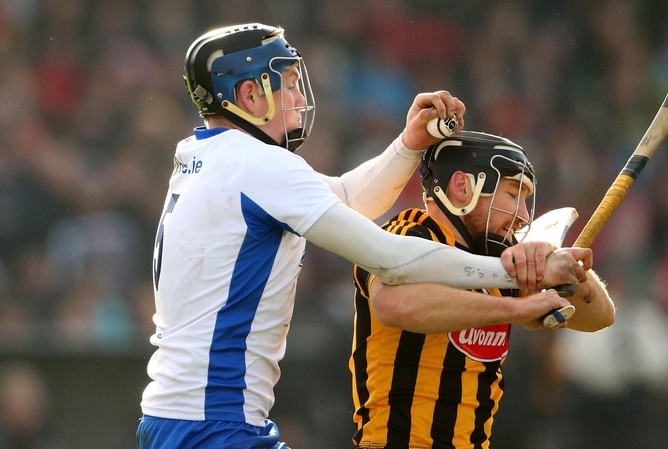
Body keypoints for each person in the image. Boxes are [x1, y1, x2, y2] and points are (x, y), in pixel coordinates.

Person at [137, 24, 583, 449]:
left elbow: (346, 200)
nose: (298, 96)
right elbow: (388, 257)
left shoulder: (204, 155)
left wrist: (409, 145)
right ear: (249, 93)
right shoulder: (258, 164)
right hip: (215, 425)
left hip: (178, 419)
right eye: (287, 83)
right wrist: (514, 275)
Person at [349, 131, 616, 449]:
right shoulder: (403, 236)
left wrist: (567, 271)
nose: (523, 215)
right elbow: (394, 306)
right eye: (512, 194)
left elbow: (599, 317)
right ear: (463, 188)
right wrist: (517, 309)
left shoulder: (501, 260)